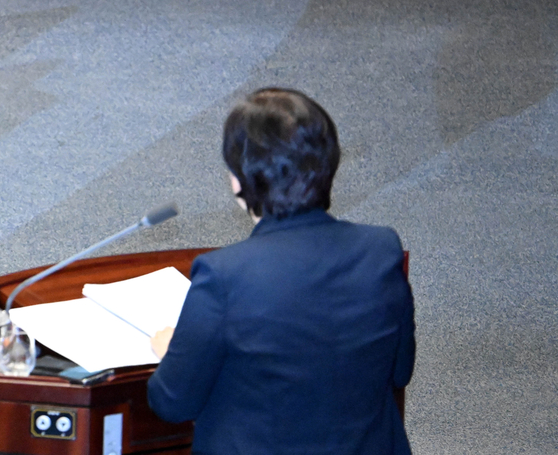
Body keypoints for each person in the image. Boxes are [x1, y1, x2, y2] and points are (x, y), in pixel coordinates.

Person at [147, 88, 415, 455]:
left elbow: (172, 403)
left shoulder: (224, 276)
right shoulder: (381, 250)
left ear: (239, 180)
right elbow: (400, 371)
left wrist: (170, 349)